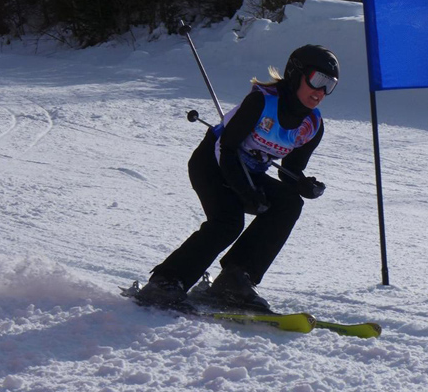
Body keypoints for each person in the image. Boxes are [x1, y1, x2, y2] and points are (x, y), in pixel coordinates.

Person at [135, 45, 339, 311]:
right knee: (228, 222)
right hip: (211, 163)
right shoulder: (261, 103)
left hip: (248, 172)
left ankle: (234, 280)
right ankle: (165, 282)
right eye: (317, 80)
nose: (321, 91)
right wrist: (245, 191)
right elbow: (226, 149)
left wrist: (303, 185)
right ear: (295, 73)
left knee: (289, 203)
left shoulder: (312, 125)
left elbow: (290, 169)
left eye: (330, 85)